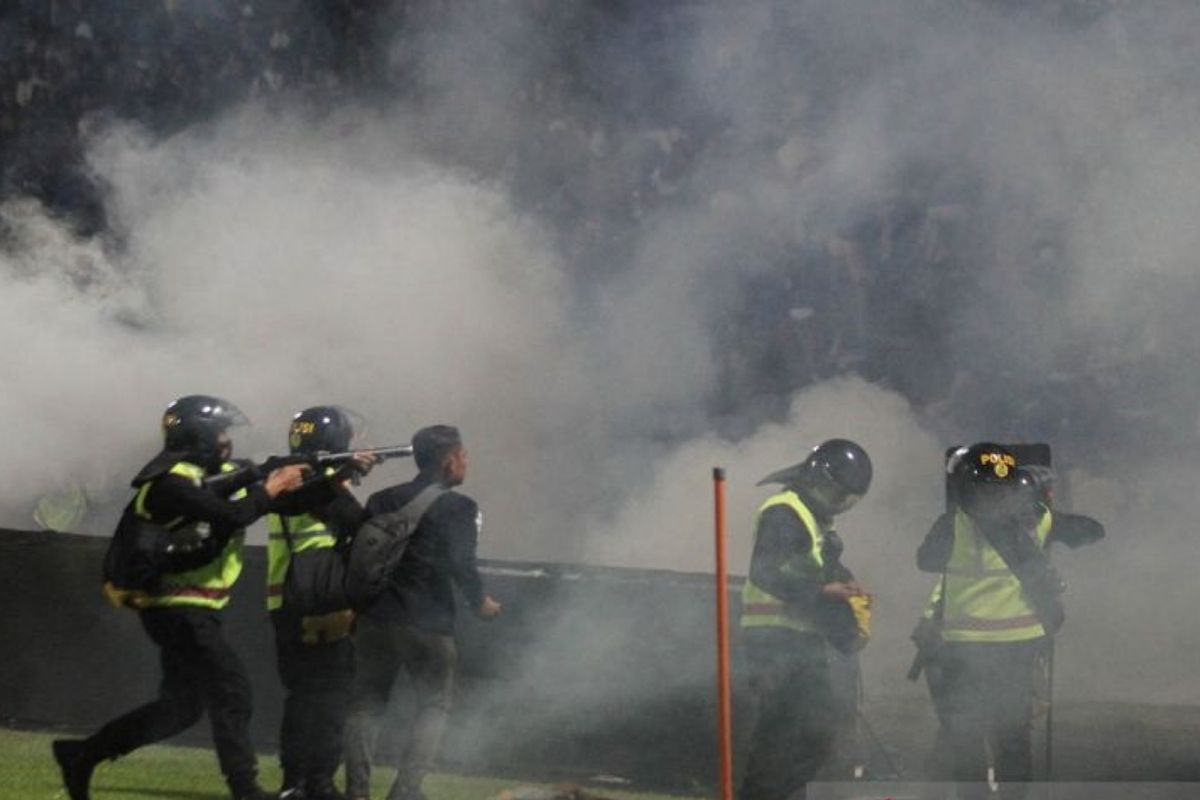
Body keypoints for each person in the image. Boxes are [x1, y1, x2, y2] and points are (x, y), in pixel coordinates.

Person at [52, 395, 309, 800]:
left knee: (181, 708)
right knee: (232, 691)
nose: (227, 441)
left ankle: (82, 754)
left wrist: (316, 468)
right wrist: (272, 487)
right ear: (201, 436)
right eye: (221, 432)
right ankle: (245, 789)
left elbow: (239, 478)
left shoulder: (193, 475)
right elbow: (233, 515)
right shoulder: (171, 482)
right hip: (179, 607)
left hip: (187, 606)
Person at [915, 443, 1103, 799]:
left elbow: (925, 560)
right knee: (1011, 737)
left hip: (963, 648)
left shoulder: (953, 524)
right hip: (1016, 647)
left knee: (968, 737)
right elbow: (1092, 531)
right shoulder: (1036, 519)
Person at [343, 424, 502, 800]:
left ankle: (356, 792)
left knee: (367, 704)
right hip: (427, 622)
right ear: (449, 461)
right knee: (434, 704)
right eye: (463, 456)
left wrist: (356, 607)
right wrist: (480, 602)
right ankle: (407, 790)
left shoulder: (382, 500)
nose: (466, 463)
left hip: (375, 618)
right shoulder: (459, 507)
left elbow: (358, 557)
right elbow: (462, 563)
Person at [737, 438, 874, 800]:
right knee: (778, 736)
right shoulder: (784, 511)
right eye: (838, 494)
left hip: (800, 639)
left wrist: (845, 584)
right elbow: (764, 572)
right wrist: (824, 593)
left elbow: (816, 567)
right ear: (819, 478)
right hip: (772, 639)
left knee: (816, 734)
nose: (839, 504)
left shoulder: (813, 519)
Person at [267, 406, 378, 800]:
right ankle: (317, 782)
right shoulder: (315, 482)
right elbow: (361, 525)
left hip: (285, 599)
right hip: (320, 601)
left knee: (302, 696)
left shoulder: (289, 477)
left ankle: (293, 782)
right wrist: (347, 473)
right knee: (332, 695)